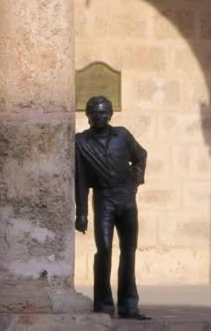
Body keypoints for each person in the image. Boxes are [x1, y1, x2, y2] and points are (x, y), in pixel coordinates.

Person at [75, 96, 150, 320]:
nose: (99, 116)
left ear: (110, 115)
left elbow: (141, 156)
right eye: (95, 112)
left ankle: (129, 306)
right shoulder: (80, 142)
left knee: (129, 251)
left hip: (126, 199)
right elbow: (80, 180)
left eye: (104, 112)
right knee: (104, 251)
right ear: (87, 115)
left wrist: (135, 180)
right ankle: (104, 305)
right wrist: (81, 213)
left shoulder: (122, 135)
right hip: (104, 199)